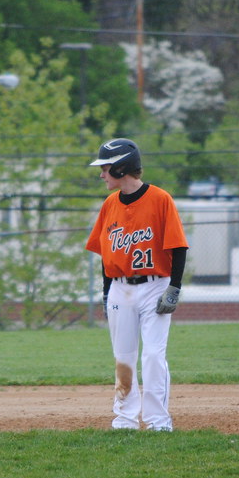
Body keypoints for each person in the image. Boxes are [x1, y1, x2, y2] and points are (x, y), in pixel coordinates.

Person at [85, 138, 189, 432]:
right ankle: (125, 420)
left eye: (105, 168)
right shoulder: (109, 204)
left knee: (154, 354)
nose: (102, 174)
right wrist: (107, 294)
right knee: (124, 357)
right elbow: (107, 254)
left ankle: (158, 422)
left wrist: (175, 288)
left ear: (122, 167)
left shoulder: (160, 199)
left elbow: (178, 247)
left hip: (156, 285)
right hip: (120, 287)